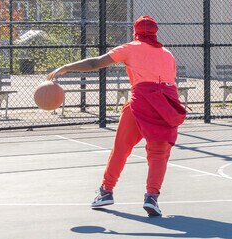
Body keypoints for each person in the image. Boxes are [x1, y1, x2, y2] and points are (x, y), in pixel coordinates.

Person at [47, 15, 187, 217]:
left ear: (135, 32)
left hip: (141, 102)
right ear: (155, 32)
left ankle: (106, 191)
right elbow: (169, 82)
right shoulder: (167, 54)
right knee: (158, 154)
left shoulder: (130, 47)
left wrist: (67, 67)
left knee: (121, 148)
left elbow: (95, 63)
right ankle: (151, 198)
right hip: (166, 104)